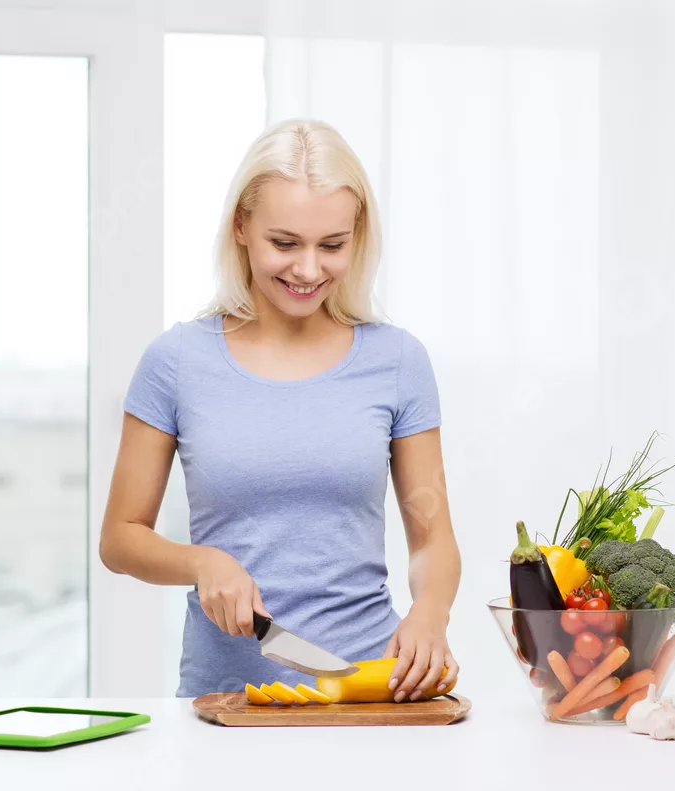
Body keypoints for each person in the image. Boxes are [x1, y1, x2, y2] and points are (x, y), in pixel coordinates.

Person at [99, 118, 461, 701]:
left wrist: (430, 614)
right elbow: (120, 537)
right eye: (285, 243)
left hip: (371, 689)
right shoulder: (177, 361)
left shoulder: (397, 361)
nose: (309, 269)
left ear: (358, 236)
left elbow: (432, 539)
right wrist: (201, 563)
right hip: (229, 697)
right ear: (241, 226)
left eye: (333, 245)